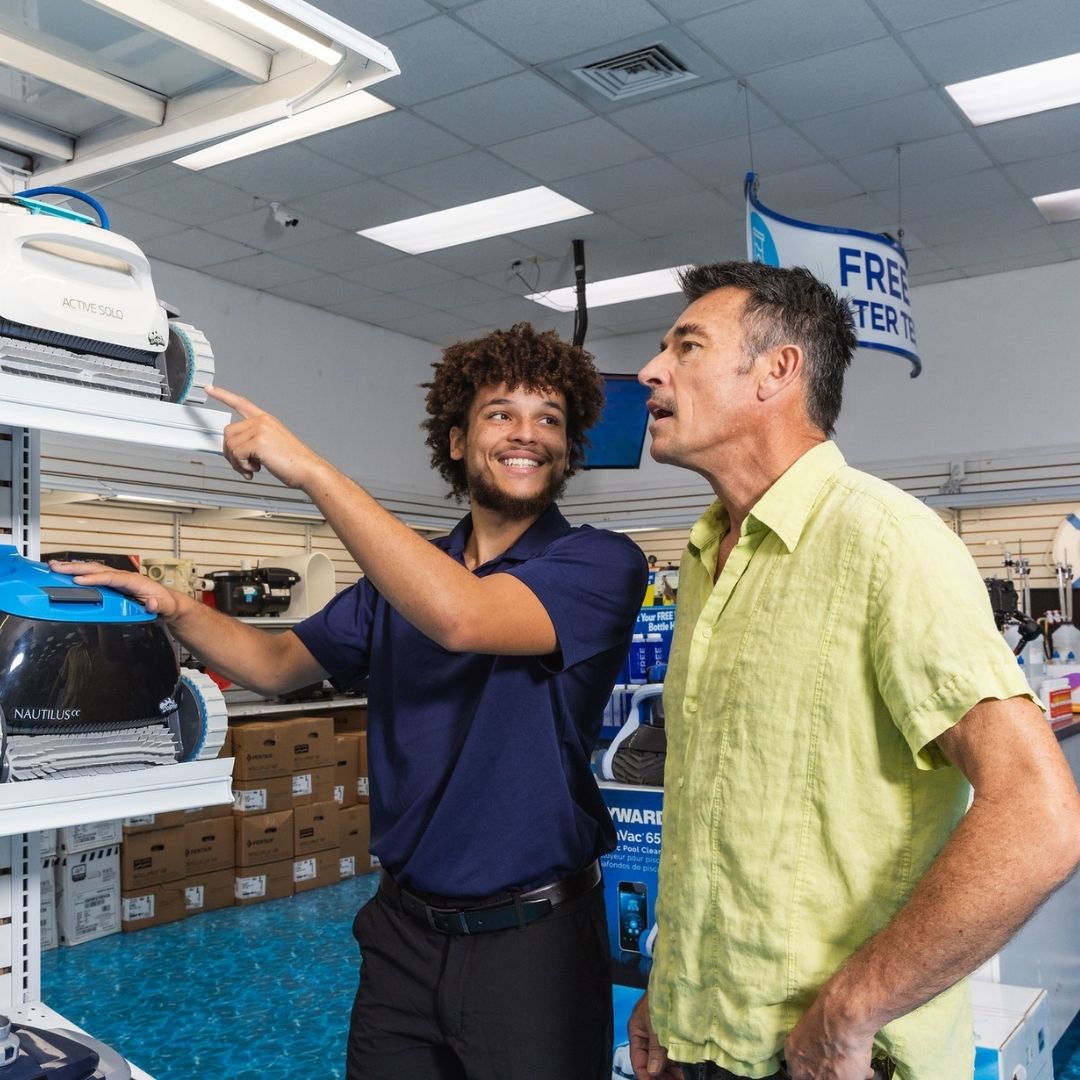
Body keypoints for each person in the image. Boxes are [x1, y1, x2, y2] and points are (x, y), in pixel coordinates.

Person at [53, 322, 647, 1080]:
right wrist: (172, 606)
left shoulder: (599, 562)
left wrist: (312, 471)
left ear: (567, 448)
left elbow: (463, 617)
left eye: (550, 419)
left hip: (532, 944)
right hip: (402, 935)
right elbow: (275, 663)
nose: (527, 433)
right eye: (501, 413)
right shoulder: (402, 579)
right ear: (459, 441)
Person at [626, 261, 1080, 1080]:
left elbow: (1039, 815)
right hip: (701, 1036)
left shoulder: (885, 543)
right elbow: (720, 816)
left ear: (777, 371)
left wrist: (852, 1010)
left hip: (828, 1059)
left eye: (686, 346)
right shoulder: (704, 557)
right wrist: (671, 987)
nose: (651, 371)